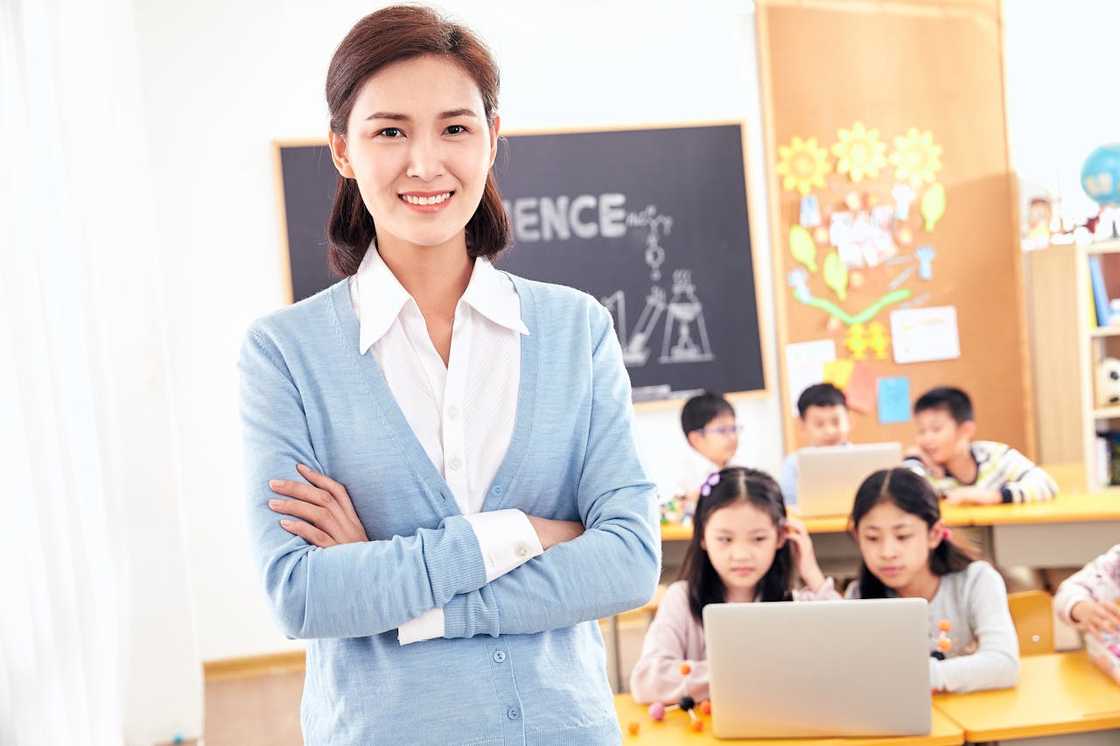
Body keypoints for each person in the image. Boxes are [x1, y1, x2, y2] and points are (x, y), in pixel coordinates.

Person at [239, 7, 659, 743]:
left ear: (493, 139)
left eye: (456, 128)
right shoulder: (285, 353)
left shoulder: (575, 329)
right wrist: (523, 533)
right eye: (390, 130)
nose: (425, 163)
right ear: (342, 149)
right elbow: (301, 594)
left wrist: (394, 584)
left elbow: (627, 564)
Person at [630, 467, 838, 704]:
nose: (741, 555)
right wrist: (749, 674)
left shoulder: (798, 601)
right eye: (725, 539)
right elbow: (647, 680)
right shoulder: (682, 598)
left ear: (781, 537)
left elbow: (848, 653)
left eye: (758, 539)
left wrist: (811, 573)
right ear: (702, 538)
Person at [846, 468, 1019, 693]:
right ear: (856, 536)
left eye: (903, 536)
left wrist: (919, 677)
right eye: (872, 538)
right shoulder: (859, 596)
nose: (887, 552)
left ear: (935, 534)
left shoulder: (976, 581)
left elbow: (1004, 664)